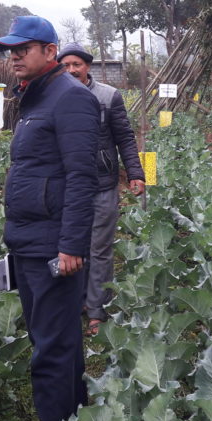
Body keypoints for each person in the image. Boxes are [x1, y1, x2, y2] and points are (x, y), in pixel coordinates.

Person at [0, 16, 100, 421]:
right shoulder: (32, 98)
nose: (14, 56)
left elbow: (82, 177)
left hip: (53, 243)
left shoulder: (71, 98)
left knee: (50, 350)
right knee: (56, 339)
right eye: (10, 50)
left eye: (24, 48)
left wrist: (72, 244)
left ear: (50, 51)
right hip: (29, 240)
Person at [57, 42, 145, 335]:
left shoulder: (108, 96)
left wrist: (135, 172)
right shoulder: (54, 96)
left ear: (87, 67)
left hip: (102, 183)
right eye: (65, 65)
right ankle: (75, 302)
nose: (71, 70)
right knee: (71, 247)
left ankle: (97, 309)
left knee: (100, 248)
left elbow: (125, 138)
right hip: (67, 186)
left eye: (76, 64)